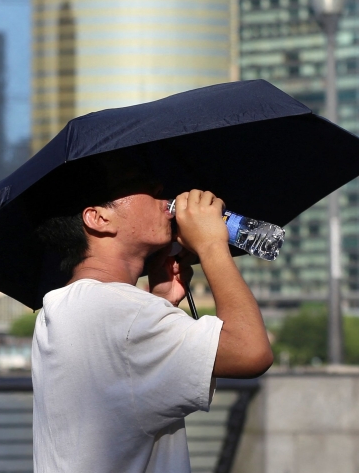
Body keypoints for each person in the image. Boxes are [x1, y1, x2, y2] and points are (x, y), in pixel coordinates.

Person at [30, 181, 274, 473]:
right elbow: (251, 352)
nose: (160, 190)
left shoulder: (64, 306)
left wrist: (161, 302)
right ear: (99, 218)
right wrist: (211, 245)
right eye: (140, 185)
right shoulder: (119, 311)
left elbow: (125, 389)